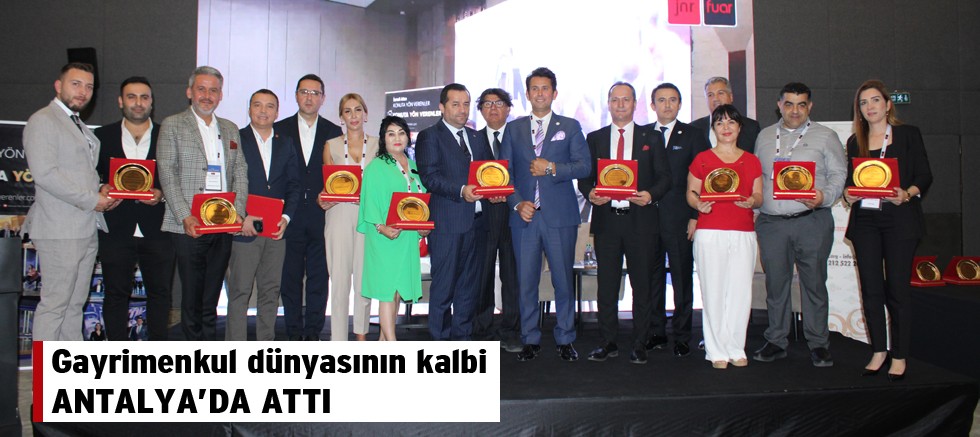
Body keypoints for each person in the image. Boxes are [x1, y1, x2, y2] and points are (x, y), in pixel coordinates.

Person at [23, 62, 119, 341]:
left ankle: (68, 366)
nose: (83, 92)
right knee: (55, 306)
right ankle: (42, 371)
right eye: (75, 84)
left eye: (89, 86)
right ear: (58, 86)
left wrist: (100, 188)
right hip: (59, 229)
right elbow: (45, 175)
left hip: (84, 228)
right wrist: (92, 199)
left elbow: (76, 172)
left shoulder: (78, 125)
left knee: (74, 306)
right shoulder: (43, 120)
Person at [843, 80, 932, 381]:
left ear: (887, 104)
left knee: (897, 289)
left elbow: (925, 175)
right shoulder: (855, 141)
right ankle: (879, 350)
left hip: (900, 220)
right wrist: (848, 194)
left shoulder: (908, 134)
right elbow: (852, 181)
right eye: (863, 103)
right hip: (866, 222)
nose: (869, 107)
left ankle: (900, 354)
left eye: (875, 100)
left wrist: (907, 193)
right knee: (871, 289)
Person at [500, 67, 591, 362]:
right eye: (534, 89)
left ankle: (565, 337)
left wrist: (552, 168)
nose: (540, 93)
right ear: (527, 94)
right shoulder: (513, 129)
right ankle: (530, 338)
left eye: (545, 88)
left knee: (563, 280)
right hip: (525, 217)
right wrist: (517, 203)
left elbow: (584, 166)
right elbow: (503, 174)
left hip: (560, 217)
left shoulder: (571, 126)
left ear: (554, 93)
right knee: (526, 282)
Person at [753, 82, 847, 367]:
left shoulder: (826, 136)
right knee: (776, 284)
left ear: (810, 106)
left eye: (801, 104)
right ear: (779, 105)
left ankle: (818, 343)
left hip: (812, 221)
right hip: (772, 224)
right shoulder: (764, 136)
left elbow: (839, 174)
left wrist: (824, 197)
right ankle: (776, 340)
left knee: (814, 284)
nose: (795, 110)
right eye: (789, 104)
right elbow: (757, 178)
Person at [579, 82, 671, 364]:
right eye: (615, 100)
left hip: (641, 222)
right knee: (606, 286)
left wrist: (650, 195)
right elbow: (585, 178)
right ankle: (608, 342)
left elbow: (665, 177)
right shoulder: (595, 138)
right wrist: (590, 193)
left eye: (626, 99)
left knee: (642, 286)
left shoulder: (651, 137)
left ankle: (640, 343)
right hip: (607, 223)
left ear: (635, 104)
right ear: (608, 104)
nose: (620, 104)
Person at [158, 66, 248, 341]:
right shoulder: (172, 125)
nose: (207, 95)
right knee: (192, 296)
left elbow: (240, 172)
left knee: (211, 296)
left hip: (222, 223)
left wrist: (237, 213)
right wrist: (184, 215)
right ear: (189, 92)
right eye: (201, 89)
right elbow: (167, 172)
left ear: (221, 95)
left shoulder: (230, 128)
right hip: (190, 224)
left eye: (213, 90)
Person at [94, 76, 176, 341]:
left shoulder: (168, 134)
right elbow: (90, 174)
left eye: (144, 97)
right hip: (116, 227)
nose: (138, 103)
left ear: (152, 102)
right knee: (115, 294)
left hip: (158, 228)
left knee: (160, 294)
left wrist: (161, 193)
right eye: (132, 97)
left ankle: (158, 355)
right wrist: (101, 187)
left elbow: (177, 175)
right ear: (121, 101)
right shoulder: (101, 136)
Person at [686, 104, 763, 369]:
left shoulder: (751, 160)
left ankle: (736, 347)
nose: (726, 127)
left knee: (740, 292)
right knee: (713, 290)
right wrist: (698, 204)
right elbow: (691, 193)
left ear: (740, 128)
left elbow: (759, 195)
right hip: (710, 231)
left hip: (743, 232)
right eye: (720, 123)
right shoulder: (702, 158)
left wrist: (752, 201)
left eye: (731, 122)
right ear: (713, 129)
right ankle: (716, 349)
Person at [416, 83, 493, 341]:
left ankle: (462, 339)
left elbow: (487, 174)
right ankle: (440, 342)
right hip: (447, 224)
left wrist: (495, 191)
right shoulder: (430, 136)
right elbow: (430, 177)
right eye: (456, 104)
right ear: (442, 107)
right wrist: (461, 191)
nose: (462, 110)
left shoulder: (476, 137)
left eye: (466, 104)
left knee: (468, 288)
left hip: (477, 224)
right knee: (443, 287)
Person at [225, 89, 301, 341]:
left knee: (270, 291)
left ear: (277, 112)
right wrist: (240, 216)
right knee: (240, 292)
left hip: (276, 229)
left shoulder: (285, 142)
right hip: (245, 228)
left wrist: (286, 218)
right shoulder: (236, 139)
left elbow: (294, 185)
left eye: (270, 106)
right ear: (249, 109)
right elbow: (228, 181)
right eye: (257, 105)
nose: (263, 111)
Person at [274, 74, 343, 341]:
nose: (309, 97)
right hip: (288, 214)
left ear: (323, 98)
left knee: (319, 277)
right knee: (289, 277)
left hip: (322, 213)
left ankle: (313, 333)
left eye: (315, 93)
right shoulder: (279, 129)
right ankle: (293, 333)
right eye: (304, 92)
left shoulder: (333, 131)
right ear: (296, 96)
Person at [646, 82, 711, 357]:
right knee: (652, 277)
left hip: (681, 217)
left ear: (680, 104)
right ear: (653, 105)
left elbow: (704, 178)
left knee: (682, 277)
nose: (667, 105)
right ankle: (656, 332)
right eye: (661, 100)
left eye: (673, 100)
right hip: (647, 218)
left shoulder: (694, 136)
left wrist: (696, 216)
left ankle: (682, 335)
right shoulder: (643, 134)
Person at [357, 116, 430, 341]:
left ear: (408, 137)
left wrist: (423, 226)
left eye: (401, 133)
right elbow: (369, 202)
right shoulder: (376, 167)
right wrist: (381, 227)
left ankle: (383, 342)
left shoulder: (414, 166)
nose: (397, 138)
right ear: (383, 139)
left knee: (397, 291)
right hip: (384, 238)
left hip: (406, 238)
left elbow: (420, 200)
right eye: (391, 133)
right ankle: (392, 343)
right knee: (387, 291)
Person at [319, 93, 378, 341]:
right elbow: (327, 186)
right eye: (347, 111)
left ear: (366, 114)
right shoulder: (331, 145)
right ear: (341, 117)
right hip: (338, 215)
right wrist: (322, 198)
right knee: (339, 281)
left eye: (357, 110)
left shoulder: (378, 145)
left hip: (367, 217)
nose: (353, 116)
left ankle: (361, 335)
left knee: (364, 281)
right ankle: (338, 340)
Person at [474, 88, 521, 352]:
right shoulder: (472, 139)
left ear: (509, 108)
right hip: (483, 217)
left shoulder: (520, 137)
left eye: (499, 103)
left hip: (514, 216)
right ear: (480, 110)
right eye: (487, 104)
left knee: (512, 276)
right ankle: (482, 328)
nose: (493, 108)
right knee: (482, 275)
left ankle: (510, 330)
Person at [691, 77, 761, 153]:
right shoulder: (693, 128)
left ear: (731, 97)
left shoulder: (751, 127)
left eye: (720, 93)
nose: (715, 99)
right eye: (710, 95)